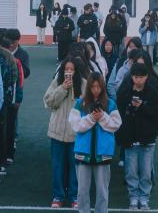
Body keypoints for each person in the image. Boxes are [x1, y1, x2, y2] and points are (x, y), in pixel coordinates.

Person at [116, 62, 158, 211]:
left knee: (146, 173)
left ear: (146, 77)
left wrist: (142, 106)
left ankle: (144, 199)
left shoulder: (153, 93)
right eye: (136, 77)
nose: (138, 80)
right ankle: (133, 198)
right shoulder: (125, 93)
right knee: (131, 172)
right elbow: (119, 115)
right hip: (130, 140)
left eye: (141, 77)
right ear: (131, 77)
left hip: (148, 140)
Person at [69, 72, 121, 213]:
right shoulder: (80, 103)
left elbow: (116, 124)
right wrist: (92, 118)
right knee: (82, 191)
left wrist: (102, 116)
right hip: (83, 152)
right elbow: (76, 125)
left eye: (98, 86)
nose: (96, 90)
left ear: (102, 87)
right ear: (89, 87)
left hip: (103, 153)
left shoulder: (110, 104)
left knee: (102, 192)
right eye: (93, 87)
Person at [45, 57, 83, 209]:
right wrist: (62, 88)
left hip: (76, 133)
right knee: (57, 165)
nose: (69, 72)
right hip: (57, 131)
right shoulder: (57, 82)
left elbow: (88, 104)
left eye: (72, 69)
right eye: (66, 69)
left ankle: (74, 196)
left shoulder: (83, 84)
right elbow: (48, 102)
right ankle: (58, 196)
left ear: (76, 71)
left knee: (75, 166)